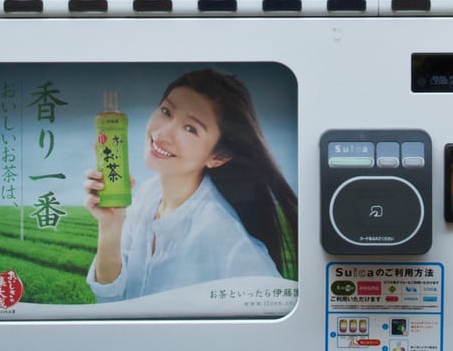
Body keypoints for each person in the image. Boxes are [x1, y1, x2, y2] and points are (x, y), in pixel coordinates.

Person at [84, 68, 298, 302]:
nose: (163, 133)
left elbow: (277, 313)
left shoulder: (230, 243)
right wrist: (110, 227)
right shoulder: (147, 195)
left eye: (190, 128)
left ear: (218, 156)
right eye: (166, 111)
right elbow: (111, 301)